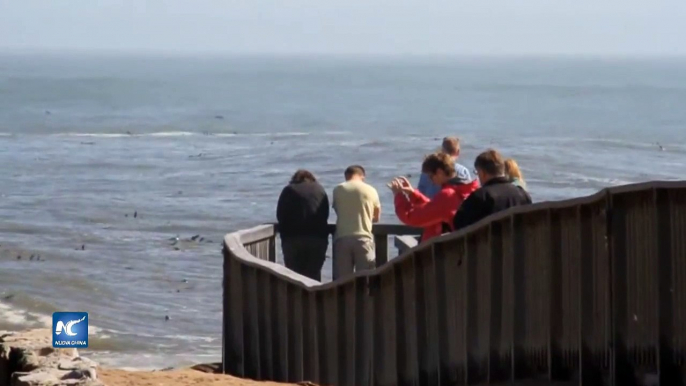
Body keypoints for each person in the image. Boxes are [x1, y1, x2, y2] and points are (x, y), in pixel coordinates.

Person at [390, 152, 479, 242]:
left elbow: (412, 218)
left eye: (431, 176)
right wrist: (412, 194)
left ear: (439, 172)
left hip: (447, 251)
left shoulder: (448, 195)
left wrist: (398, 196)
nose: (430, 181)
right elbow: (434, 208)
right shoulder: (464, 188)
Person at [453, 149, 532, 230]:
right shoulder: (522, 194)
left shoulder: (480, 196)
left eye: (477, 172)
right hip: (517, 241)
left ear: (482, 173)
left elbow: (458, 223)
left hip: (488, 241)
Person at [276, 169, 329, 281]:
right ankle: (314, 297)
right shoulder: (319, 189)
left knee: (293, 275)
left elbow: (280, 214)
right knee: (313, 274)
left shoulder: (288, 190)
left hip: (292, 238)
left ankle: (294, 298)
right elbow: (325, 212)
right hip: (317, 238)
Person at [331, 165, 380, 280]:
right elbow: (377, 217)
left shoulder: (338, 189)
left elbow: (337, 210)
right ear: (362, 176)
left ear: (346, 176)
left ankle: (344, 298)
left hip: (342, 238)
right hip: (364, 239)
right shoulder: (371, 190)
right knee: (366, 279)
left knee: (342, 281)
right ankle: (364, 298)